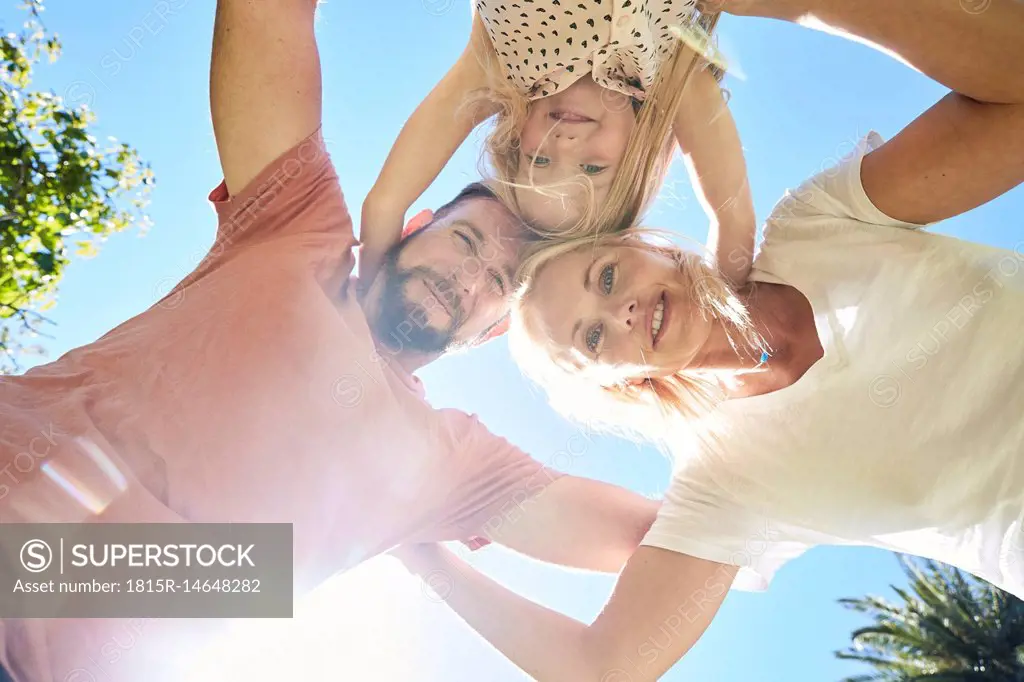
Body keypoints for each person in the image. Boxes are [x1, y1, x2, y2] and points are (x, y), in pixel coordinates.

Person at [0, 1, 660, 680]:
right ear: (417, 223)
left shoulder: (448, 463)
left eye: (496, 281)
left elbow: (655, 538)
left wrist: (746, 353)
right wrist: (479, 70)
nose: (466, 276)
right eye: (463, 240)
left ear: (495, 328)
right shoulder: (298, 229)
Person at [393, 1, 1024, 680]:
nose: (626, 310)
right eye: (597, 338)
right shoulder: (725, 484)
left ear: (652, 250)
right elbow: (603, 667)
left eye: (607, 277)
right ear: (623, 382)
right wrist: (417, 551)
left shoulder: (821, 222)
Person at [359, 0, 759, 292]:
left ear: (516, 139)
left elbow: (384, 204)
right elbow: (734, 222)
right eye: (591, 169)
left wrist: (362, 301)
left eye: (540, 159)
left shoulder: (498, 67)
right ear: (637, 162)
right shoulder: (669, 72)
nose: (565, 143)